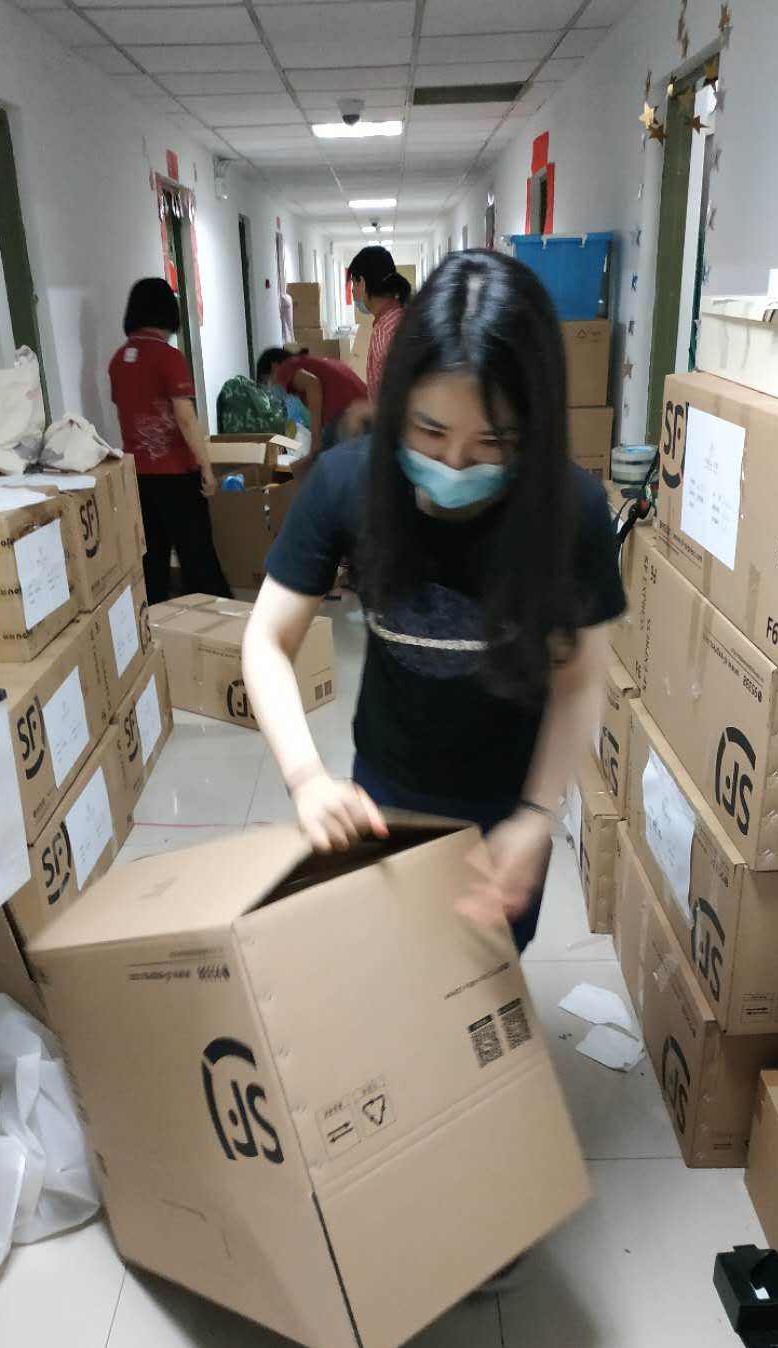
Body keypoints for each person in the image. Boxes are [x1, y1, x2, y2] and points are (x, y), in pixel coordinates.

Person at [242, 251, 626, 956]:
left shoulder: (569, 508)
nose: (453, 465)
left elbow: (579, 679)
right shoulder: (347, 484)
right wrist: (305, 777)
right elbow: (267, 638)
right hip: (386, 785)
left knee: (488, 969)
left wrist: (538, 815)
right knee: (396, 964)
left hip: (510, 791)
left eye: (491, 442)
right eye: (429, 432)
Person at [109, 278, 230, 604]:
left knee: (151, 561)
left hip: (137, 477)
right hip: (177, 476)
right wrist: (206, 466)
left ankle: (155, 624)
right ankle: (215, 621)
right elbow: (185, 418)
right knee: (198, 559)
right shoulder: (169, 358)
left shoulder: (118, 361)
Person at [256, 348, 366, 457]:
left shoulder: (285, 368)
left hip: (347, 413)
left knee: (325, 458)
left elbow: (313, 383)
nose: (273, 384)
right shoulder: (307, 362)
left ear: (274, 366)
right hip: (364, 408)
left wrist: (315, 437)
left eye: (268, 379)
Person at [348, 245, 412, 402]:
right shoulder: (401, 316)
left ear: (362, 283)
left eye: (354, 283)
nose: (353, 291)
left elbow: (395, 399)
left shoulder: (384, 332)